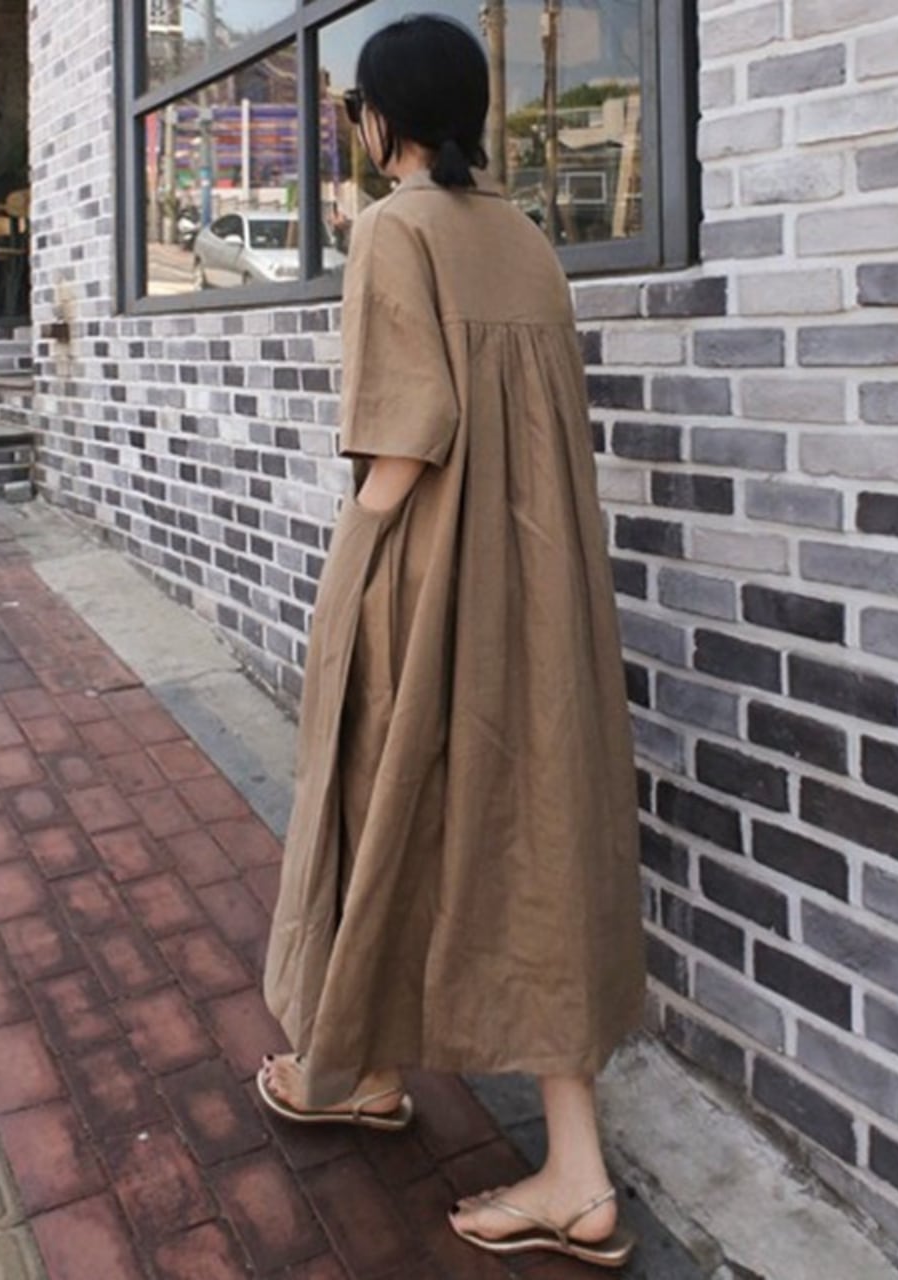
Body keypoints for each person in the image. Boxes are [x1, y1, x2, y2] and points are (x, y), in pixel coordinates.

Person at [259, 13, 645, 1269]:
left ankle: (349, 1069)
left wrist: (348, 570)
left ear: (384, 118)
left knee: (377, 798)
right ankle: (553, 1155)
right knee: (533, 835)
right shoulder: (524, 236)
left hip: (431, 573)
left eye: (356, 109)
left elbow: (406, 434)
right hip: (539, 589)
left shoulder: (393, 229)